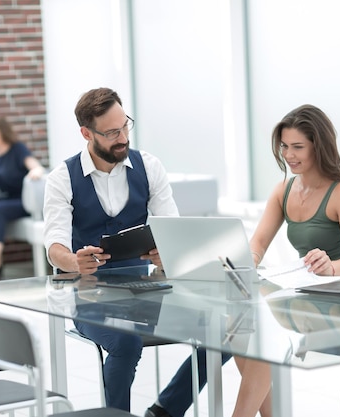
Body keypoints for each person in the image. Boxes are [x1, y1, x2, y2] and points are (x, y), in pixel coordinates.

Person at [43, 87, 230, 415]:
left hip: (146, 292)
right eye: (112, 132)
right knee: (125, 342)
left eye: (125, 126)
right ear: (87, 133)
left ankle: (166, 409)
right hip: (87, 296)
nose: (122, 138)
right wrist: (73, 260)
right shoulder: (62, 178)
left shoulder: (150, 167)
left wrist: (166, 250)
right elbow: (54, 245)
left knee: (226, 330)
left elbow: (171, 229)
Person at [231, 104, 340, 417]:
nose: (289, 155)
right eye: (284, 146)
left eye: (297, 147)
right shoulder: (285, 189)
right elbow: (259, 242)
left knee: (265, 338)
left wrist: (331, 267)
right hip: (305, 297)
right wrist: (249, 259)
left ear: (318, 146)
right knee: (237, 331)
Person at [0, 116, 45, 281]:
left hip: (24, 200)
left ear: (3, 135)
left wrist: (35, 171)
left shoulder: (17, 149)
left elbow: (34, 165)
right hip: (9, 198)